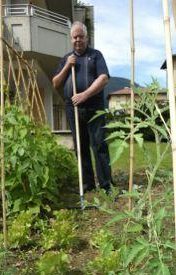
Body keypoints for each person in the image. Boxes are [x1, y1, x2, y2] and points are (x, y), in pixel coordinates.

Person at [52, 21, 112, 194]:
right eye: (74, 37)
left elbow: (103, 78)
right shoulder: (66, 58)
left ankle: (106, 185)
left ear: (87, 37)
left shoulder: (95, 55)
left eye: (81, 36)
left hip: (94, 107)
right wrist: (66, 66)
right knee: (81, 146)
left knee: (99, 145)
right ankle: (87, 183)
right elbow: (56, 83)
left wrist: (85, 94)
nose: (78, 40)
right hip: (74, 109)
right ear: (71, 39)